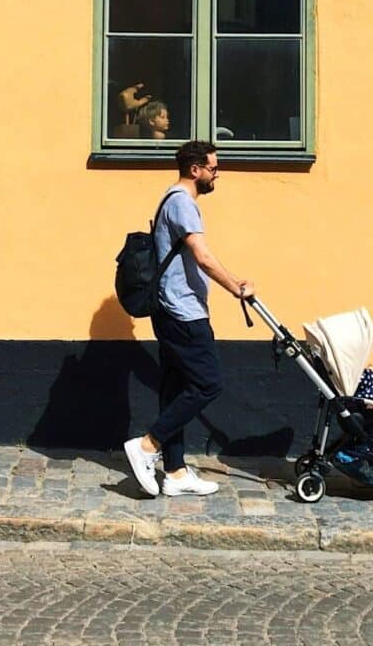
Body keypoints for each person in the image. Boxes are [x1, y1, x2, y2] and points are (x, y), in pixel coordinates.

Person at [123, 140, 255, 497]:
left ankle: (177, 472)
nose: (217, 174)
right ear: (195, 170)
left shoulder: (171, 199)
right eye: (213, 168)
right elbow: (203, 256)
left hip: (170, 309)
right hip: (183, 312)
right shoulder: (182, 203)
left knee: (176, 387)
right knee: (207, 383)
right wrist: (235, 287)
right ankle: (147, 446)